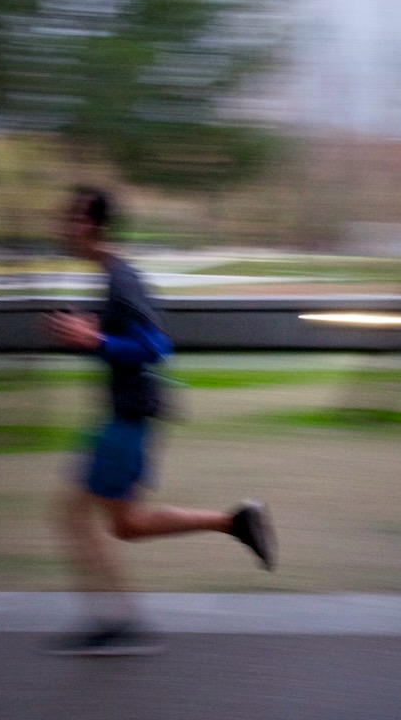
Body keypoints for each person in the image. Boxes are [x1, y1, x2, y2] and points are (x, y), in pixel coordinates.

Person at [44, 185, 275, 655]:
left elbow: (156, 345)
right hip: (127, 415)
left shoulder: (120, 277)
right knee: (125, 525)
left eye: (71, 218)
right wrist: (94, 332)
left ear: (92, 225)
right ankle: (235, 522)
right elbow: (130, 337)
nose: (63, 227)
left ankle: (116, 620)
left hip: (127, 417)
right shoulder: (111, 276)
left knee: (70, 518)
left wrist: (96, 343)